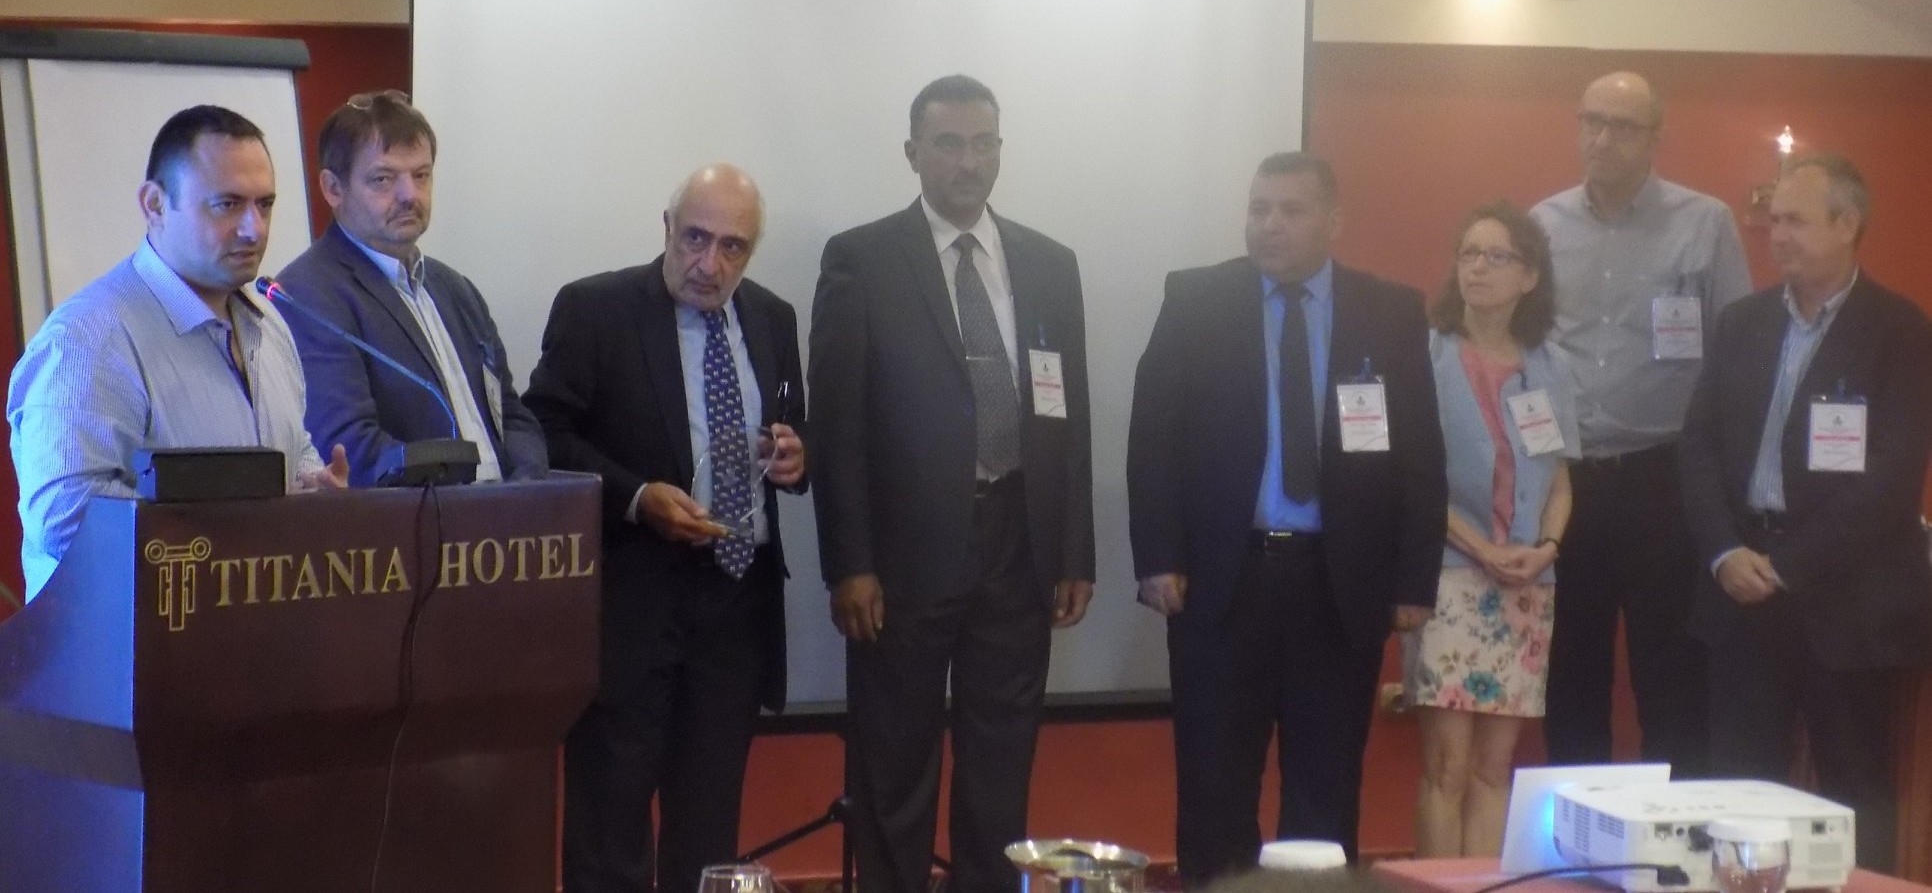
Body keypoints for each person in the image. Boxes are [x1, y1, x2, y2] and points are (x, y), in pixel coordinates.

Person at [809, 74, 1095, 893]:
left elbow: (1067, 414)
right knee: (894, 767)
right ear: (912, 153)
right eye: (948, 144)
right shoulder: (862, 258)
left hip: (1019, 543)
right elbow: (837, 423)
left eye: (983, 144)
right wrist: (849, 562)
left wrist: (1073, 549)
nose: (968, 162)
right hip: (902, 559)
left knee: (1000, 770)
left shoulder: (1050, 262)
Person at [1127, 151, 1445, 879]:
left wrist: (1413, 579)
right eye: (1258, 209)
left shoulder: (1388, 311)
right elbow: (1153, 438)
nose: (1269, 225)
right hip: (1222, 580)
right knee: (1214, 785)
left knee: (1325, 790)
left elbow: (1421, 453)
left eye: (1291, 210)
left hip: (1339, 584)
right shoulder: (1196, 299)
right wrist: (1157, 556)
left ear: (1333, 221)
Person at [526, 164, 807, 893]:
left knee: (709, 828)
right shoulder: (597, 308)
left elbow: (791, 429)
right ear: (667, 227)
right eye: (695, 238)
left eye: (732, 247)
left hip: (736, 604)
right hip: (634, 600)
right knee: (611, 829)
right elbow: (541, 433)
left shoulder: (773, 318)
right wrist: (638, 496)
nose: (709, 264)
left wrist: (796, 456)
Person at [1679, 154, 1932, 874]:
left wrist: (1787, 566)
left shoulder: (1901, 330)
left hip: (1847, 604)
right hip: (1739, 593)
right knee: (1737, 793)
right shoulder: (1741, 322)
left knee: (1855, 798)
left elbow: (1890, 481)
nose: (1775, 234)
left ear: (1847, 224)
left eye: (1794, 219)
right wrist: (1725, 552)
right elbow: (1698, 447)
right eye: (1772, 219)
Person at [7, 105, 346, 600]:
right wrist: (238, 535)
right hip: (126, 641)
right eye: (227, 204)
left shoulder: (269, 323)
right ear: (155, 205)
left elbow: (293, 451)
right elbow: (67, 522)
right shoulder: (87, 339)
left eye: (265, 204)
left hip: (256, 628)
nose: (254, 229)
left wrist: (315, 489)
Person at [1530, 71, 1751, 773]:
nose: (1601, 138)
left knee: (1671, 672)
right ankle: (1576, 824)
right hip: (1565, 480)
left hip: (1665, 477)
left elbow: (1736, 355)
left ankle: (1674, 829)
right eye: (1590, 120)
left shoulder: (1704, 222)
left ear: (1655, 137)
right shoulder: (1541, 225)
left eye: (1622, 125)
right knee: (1570, 670)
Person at [1405, 202, 1576, 858]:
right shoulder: (1426, 355)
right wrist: (1482, 548)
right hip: (1449, 577)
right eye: (1468, 253)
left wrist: (1547, 549)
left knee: (1493, 768)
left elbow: (1559, 480)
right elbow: (1413, 482)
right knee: (1447, 767)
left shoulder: (1548, 364)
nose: (1477, 267)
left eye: (1496, 256)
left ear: (1529, 276)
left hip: (1527, 586)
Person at [274, 90, 548, 485]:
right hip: (419, 517)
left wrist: (526, 488)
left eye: (421, 175)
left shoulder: (456, 289)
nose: (410, 195)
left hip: (504, 515)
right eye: (383, 179)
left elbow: (510, 415)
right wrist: (468, 501)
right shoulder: (308, 295)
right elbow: (350, 447)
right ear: (333, 188)